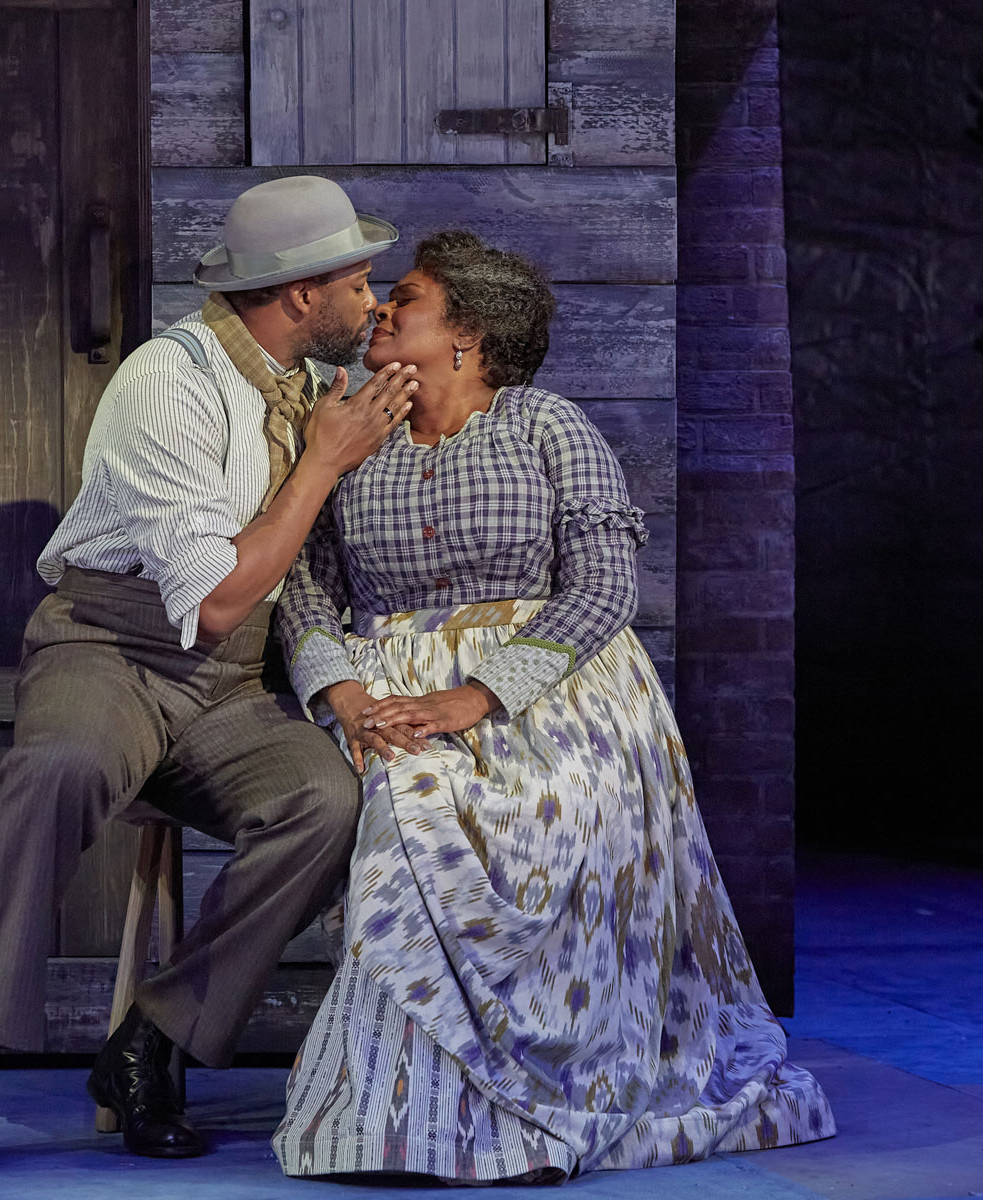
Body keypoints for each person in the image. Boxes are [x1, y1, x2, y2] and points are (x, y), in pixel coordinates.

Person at [0, 176, 419, 1182]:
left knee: (325, 801)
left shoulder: (303, 388)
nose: (371, 300)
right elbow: (211, 598)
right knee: (58, 771)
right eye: (357, 280)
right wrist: (323, 466)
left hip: (230, 682)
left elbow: (257, 613)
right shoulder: (169, 380)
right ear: (299, 295)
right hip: (112, 648)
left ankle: (150, 1044)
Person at [271, 232, 835, 1183]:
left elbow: (607, 583)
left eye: (403, 299)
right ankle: (407, 1120)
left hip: (554, 690)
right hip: (394, 694)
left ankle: (556, 1091)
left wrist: (484, 693)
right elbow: (306, 589)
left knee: (569, 814)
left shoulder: (547, 425)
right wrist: (345, 693)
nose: (377, 310)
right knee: (410, 817)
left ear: (467, 336)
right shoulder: (346, 433)